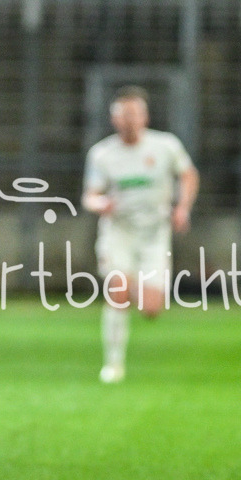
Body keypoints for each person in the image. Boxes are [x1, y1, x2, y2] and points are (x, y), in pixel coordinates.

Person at [81, 85, 199, 384]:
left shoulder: (165, 146)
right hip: (119, 231)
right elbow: (90, 195)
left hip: (154, 233)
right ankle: (113, 364)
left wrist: (182, 207)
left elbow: (188, 174)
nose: (130, 120)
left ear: (145, 117)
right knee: (116, 292)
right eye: (124, 115)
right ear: (114, 119)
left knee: (151, 308)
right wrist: (100, 203)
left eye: (135, 114)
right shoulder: (103, 153)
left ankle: (131, 283)